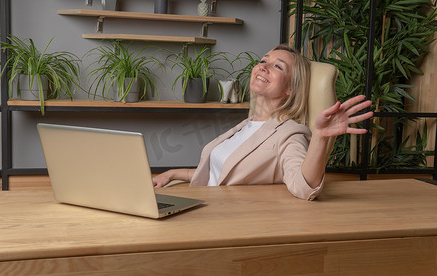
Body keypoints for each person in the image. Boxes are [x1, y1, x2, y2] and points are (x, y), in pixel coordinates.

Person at [153, 44, 373, 200]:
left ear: (290, 88)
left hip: (223, 219)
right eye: (263, 61)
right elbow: (216, 173)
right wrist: (171, 173)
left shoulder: (290, 133)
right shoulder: (246, 125)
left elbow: (304, 188)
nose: (263, 67)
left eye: (278, 67)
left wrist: (319, 137)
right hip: (201, 203)